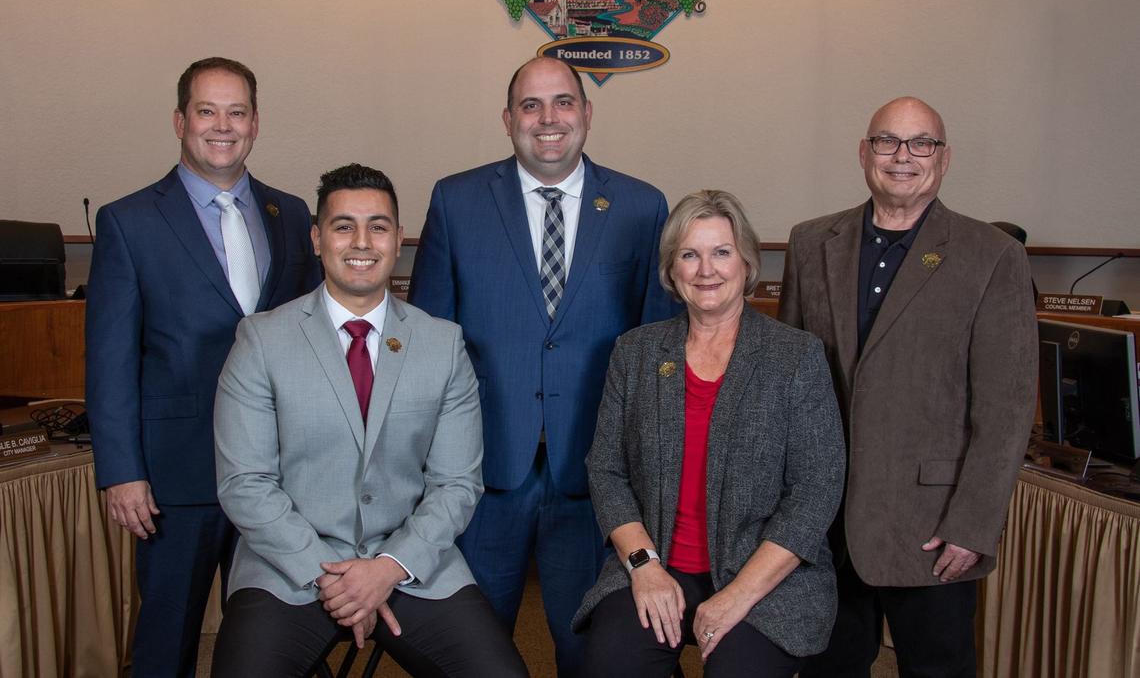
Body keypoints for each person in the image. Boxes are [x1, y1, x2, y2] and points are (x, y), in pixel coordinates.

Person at [408, 56, 677, 675]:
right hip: (481, 472)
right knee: (472, 646)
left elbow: (655, 347)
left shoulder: (640, 207)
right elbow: (427, 343)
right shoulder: (457, 201)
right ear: (508, 120)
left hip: (595, 475)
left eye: (563, 103)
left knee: (586, 643)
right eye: (531, 106)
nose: (548, 119)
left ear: (587, 113)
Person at [210, 164, 528, 678]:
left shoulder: (442, 344)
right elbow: (246, 485)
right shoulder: (260, 340)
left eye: (378, 226)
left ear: (398, 238)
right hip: (287, 567)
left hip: (410, 565)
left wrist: (387, 568)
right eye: (343, 226)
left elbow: (456, 484)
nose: (362, 241)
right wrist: (332, 579)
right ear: (317, 239)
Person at [779, 97, 1038, 678]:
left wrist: (972, 526)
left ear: (943, 159)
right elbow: (786, 388)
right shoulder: (810, 242)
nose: (903, 156)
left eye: (921, 143)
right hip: (825, 523)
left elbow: (1006, 409)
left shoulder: (993, 256)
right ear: (863, 152)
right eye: (887, 141)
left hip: (934, 529)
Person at [85, 57, 321, 677]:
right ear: (180, 120)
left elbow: (310, 337)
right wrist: (121, 471)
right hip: (175, 477)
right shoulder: (128, 221)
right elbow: (109, 359)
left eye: (237, 112)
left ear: (255, 123)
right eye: (207, 111)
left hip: (278, 473)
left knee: (281, 638)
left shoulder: (292, 215)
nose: (223, 126)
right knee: (167, 641)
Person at [573, 189, 846, 677]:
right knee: (612, 665)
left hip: (762, 576)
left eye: (721, 252)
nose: (707, 270)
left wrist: (737, 596)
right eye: (690, 254)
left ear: (745, 262)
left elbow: (816, 489)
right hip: (656, 564)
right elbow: (607, 469)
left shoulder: (796, 356)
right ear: (672, 271)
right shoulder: (635, 353)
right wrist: (643, 567)